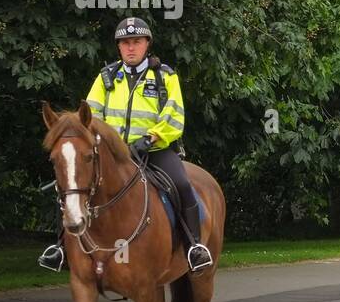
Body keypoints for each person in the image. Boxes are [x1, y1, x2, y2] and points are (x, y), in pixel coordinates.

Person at [38, 16, 213, 273]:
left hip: (154, 150)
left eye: (136, 42)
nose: (131, 47)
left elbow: (174, 115)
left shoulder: (165, 77)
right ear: (119, 47)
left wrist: (150, 137)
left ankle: (194, 247)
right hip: (113, 153)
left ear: (146, 44)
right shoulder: (106, 77)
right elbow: (90, 116)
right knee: (69, 185)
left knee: (182, 184)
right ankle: (60, 249)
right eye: (125, 43)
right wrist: (109, 143)